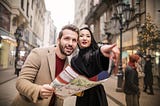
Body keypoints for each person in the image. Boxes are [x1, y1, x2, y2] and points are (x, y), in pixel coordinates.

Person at [12, 24, 79, 106]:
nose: (70, 43)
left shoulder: (68, 65)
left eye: (74, 40)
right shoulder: (38, 53)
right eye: (67, 38)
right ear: (58, 40)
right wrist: (39, 90)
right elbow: (21, 82)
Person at [71, 27, 120, 106]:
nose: (84, 38)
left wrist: (102, 51)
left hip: (97, 96)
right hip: (82, 97)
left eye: (88, 36)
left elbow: (98, 54)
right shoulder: (74, 59)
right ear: (77, 39)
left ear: (91, 39)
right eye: (81, 36)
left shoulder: (95, 53)